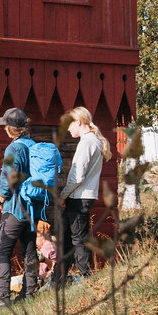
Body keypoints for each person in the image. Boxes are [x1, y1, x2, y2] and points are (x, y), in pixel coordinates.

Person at [0, 107, 39, 304]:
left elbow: (10, 176)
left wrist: (1, 198)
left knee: (2, 252)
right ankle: (28, 294)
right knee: (29, 251)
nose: (4, 129)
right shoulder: (34, 146)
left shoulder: (14, 148)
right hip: (32, 209)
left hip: (15, 208)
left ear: (11, 128)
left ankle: (2, 298)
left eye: (5, 126)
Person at [56, 106, 106, 284]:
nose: (68, 129)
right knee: (71, 238)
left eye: (69, 124)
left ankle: (85, 277)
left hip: (78, 196)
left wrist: (63, 194)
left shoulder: (87, 143)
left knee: (78, 238)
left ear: (78, 122)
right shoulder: (93, 141)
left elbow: (78, 176)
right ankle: (59, 279)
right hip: (85, 195)